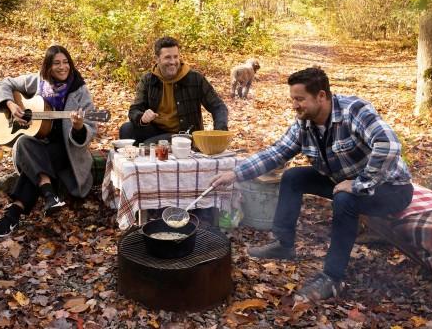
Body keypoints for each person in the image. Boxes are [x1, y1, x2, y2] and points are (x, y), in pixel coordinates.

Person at [211, 67, 413, 300]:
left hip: (390, 188)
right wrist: (234, 174)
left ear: (321, 96)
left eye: (300, 99)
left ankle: (332, 277)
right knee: (293, 177)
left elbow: (389, 145)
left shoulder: (353, 110)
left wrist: (360, 183)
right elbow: (276, 153)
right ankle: (284, 244)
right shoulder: (305, 124)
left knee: (345, 199)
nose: (294, 105)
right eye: (292, 99)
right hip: (340, 180)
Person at [0, 45, 96, 237]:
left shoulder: (80, 90)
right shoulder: (38, 81)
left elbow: (90, 130)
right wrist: (11, 104)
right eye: (57, 63)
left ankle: (12, 216)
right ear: (48, 66)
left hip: (67, 151)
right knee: (22, 143)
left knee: (34, 164)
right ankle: (48, 193)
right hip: (40, 146)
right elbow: (5, 83)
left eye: (66, 62)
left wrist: (79, 127)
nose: (62, 67)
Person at [119, 36, 228, 144]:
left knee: (149, 144)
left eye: (176, 57)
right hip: (155, 130)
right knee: (126, 129)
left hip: (184, 134)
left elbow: (218, 106)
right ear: (157, 59)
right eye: (167, 57)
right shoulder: (148, 80)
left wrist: (220, 130)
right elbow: (134, 110)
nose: (173, 61)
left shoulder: (195, 79)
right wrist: (142, 118)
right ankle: (130, 160)